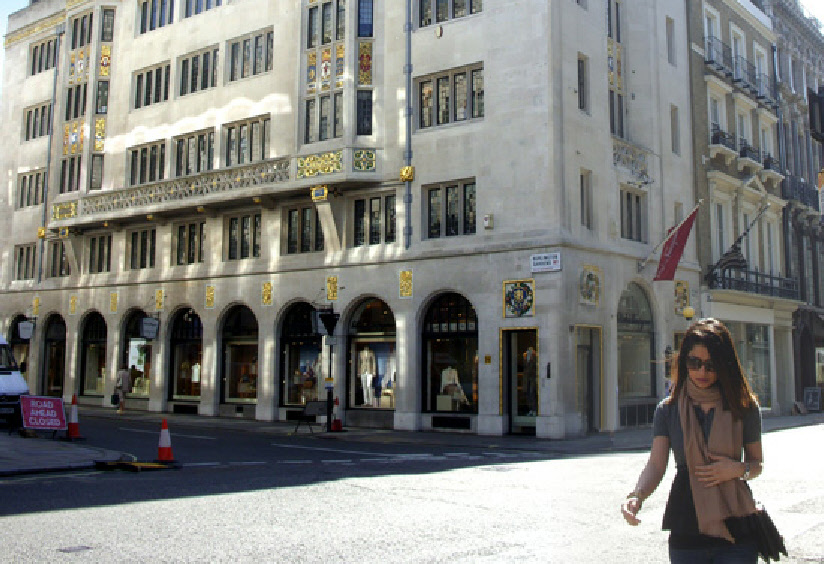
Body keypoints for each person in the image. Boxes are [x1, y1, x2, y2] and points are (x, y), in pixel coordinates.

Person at [621, 318, 763, 563]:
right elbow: (656, 464)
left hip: (737, 528)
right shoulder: (668, 411)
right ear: (684, 361)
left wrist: (737, 469)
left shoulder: (745, 407)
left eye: (711, 365)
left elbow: (756, 464)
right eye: (694, 363)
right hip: (687, 525)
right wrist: (637, 495)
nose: (702, 372)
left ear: (724, 364)